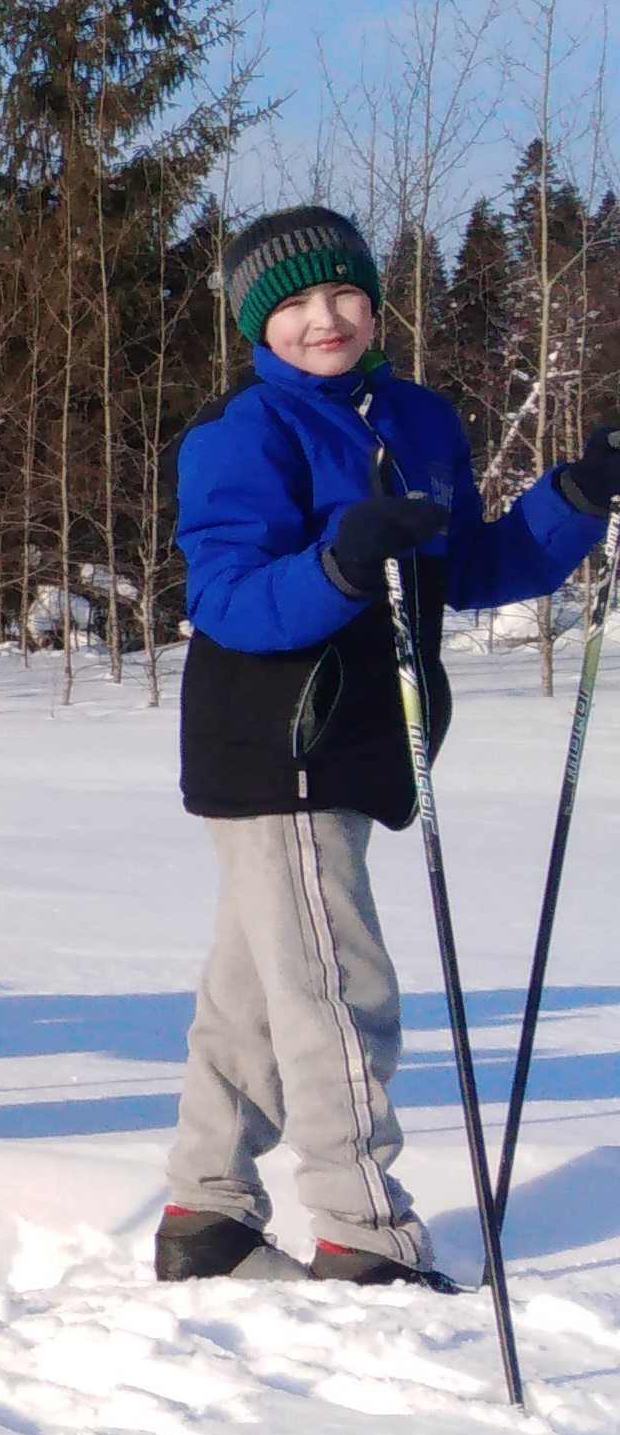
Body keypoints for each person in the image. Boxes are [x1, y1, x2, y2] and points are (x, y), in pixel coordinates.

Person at [160, 207, 620, 1286]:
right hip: (276, 738)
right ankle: (360, 1231)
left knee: (259, 989)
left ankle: (202, 1214)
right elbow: (225, 597)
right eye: (293, 305)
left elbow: (470, 567)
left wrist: (573, 500)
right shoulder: (242, 433)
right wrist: (338, 561)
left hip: (356, 735)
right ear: (253, 326)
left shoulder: (414, 417)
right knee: (334, 988)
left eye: (342, 294)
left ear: (372, 300)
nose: (323, 319)